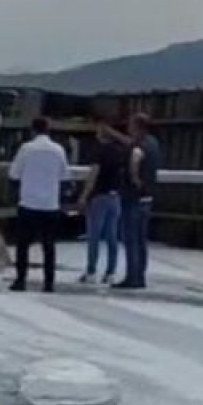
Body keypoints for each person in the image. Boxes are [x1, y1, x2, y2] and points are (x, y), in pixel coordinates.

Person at [8, 117, 69, 292]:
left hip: (29, 202)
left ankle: (21, 280)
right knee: (49, 245)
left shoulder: (26, 149)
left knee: (23, 244)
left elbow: (14, 174)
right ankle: (49, 282)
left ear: (33, 130)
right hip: (50, 204)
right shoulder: (58, 150)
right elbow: (64, 175)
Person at [111, 112, 161, 290]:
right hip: (148, 197)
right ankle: (140, 275)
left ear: (137, 127)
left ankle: (132, 277)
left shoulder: (138, 147)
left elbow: (134, 160)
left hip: (133, 197)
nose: (128, 127)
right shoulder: (153, 143)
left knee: (130, 239)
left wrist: (134, 178)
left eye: (131, 125)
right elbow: (130, 143)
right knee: (141, 240)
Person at [78, 114, 126, 285]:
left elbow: (93, 175)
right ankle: (110, 272)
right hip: (115, 197)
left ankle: (91, 271)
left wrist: (84, 196)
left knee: (94, 236)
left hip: (99, 196)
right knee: (112, 236)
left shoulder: (98, 151)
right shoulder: (120, 152)